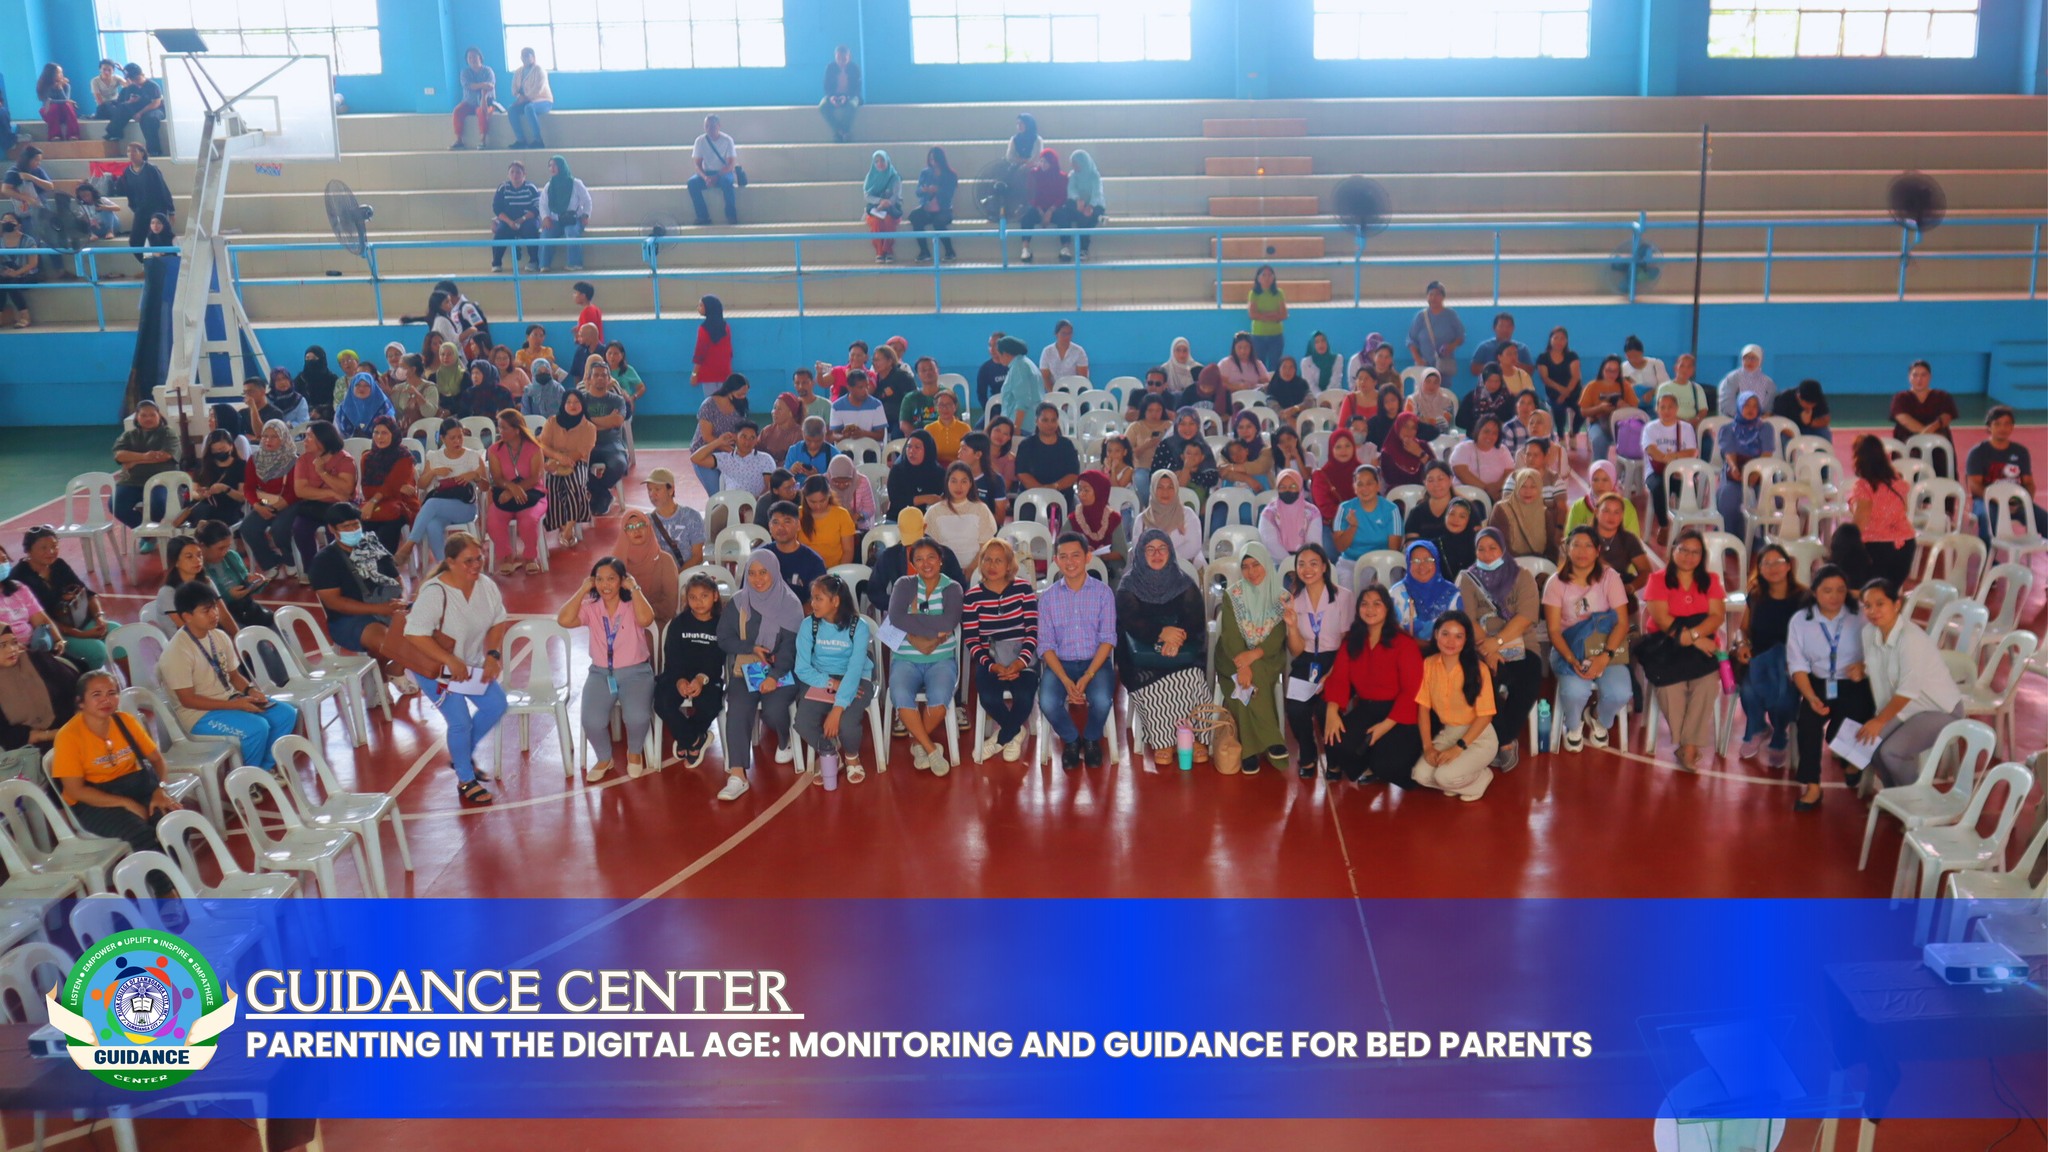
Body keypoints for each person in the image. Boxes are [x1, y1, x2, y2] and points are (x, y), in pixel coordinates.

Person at [406, 533, 514, 805]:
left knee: (496, 705)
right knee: (460, 722)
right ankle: (465, 779)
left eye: (479, 558)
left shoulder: (486, 585)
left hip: (469, 665)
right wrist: (450, 660)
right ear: (450, 562)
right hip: (436, 671)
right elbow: (413, 634)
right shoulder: (435, 593)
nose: (476, 565)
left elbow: (498, 621)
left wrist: (493, 655)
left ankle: (461, 755)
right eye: (468, 561)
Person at [157, 580, 298, 770]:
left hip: (231, 699)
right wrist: (235, 705)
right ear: (187, 616)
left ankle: (263, 770)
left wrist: (250, 690)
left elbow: (234, 676)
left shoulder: (219, 636)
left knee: (286, 714)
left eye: (214, 607)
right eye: (206, 611)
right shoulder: (176, 652)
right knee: (257, 728)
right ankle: (247, 780)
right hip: (199, 715)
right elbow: (188, 701)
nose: (215, 614)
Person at [49, 671, 179, 861]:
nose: (106, 700)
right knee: (141, 835)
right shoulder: (68, 736)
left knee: (172, 823)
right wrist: (126, 803)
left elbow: (157, 760)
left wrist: (161, 789)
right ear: (80, 702)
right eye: (97, 695)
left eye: (112, 693)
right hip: (94, 803)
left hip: (137, 787)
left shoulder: (125, 721)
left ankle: (173, 874)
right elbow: (75, 790)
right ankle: (164, 880)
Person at [1855, 577, 1965, 789]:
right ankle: (1893, 795)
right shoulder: (1868, 633)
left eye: (1880, 604)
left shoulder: (1911, 639)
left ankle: (1911, 800)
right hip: (1907, 708)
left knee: (1891, 751)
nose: (1873, 611)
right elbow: (1878, 668)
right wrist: (1861, 669)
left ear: (1897, 605)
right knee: (1872, 748)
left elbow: (1907, 691)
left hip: (1940, 709)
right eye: (1867, 606)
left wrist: (1879, 721)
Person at [554, 558, 657, 783]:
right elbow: (564, 620)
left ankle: (634, 752)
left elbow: (646, 619)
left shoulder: (632, 603)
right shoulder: (592, 607)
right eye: (599, 579)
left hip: (636, 673)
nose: (605, 585)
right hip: (601, 673)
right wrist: (582, 590)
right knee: (591, 720)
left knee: (638, 717)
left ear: (622, 581)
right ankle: (604, 758)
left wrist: (635, 588)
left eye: (611, 579)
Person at [1786, 566, 1875, 811]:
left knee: (1849, 724)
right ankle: (1812, 786)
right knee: (1808, 723)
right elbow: (1797, 665)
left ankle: (1852, 760)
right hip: (1817, 682)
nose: (1834, 596)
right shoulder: (1801, 620)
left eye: (1840, 590)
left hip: (1853, 682)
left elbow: (1878, 651)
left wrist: (1864, 666)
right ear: (1814, 592)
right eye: (1827, 590)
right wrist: (1810, 697)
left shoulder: (1860, 616)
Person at [1642, 529, 1728, 773]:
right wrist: (1693, 639)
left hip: (1701, 640)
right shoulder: (1658, 579)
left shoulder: (1710, 580)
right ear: (1673, 551)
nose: (1689, 557)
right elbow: (1661, 619)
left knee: (1707, 685)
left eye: (1695, 552)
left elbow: (1717, 616)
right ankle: (1686, 743)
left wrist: (1695, 636)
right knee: (1670, 687)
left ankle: (1688, 747)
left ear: (1702, 556)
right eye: (1683, 550)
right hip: (1665, 643)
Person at [1321, 585, 1425, 785]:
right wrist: (1332, 712)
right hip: (1368, 708)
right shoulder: (1352, 640)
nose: (1370, 609)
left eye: (1377, 604)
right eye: (1365, 604)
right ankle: (1370, 762)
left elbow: (1412, 690)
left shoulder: (1404, 643)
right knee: (1335, 743)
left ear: (1387, 608)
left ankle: (1383, 763)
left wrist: (1385, 726)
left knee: (1388, 766)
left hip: (1399, 713)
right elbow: (1339, 678)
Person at [1455, 529, 1540, 770]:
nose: (1487, 554)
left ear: (1503, 549)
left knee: (1528, 680)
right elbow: (1467, 620)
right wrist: (1488, 649)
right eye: (1481, 549)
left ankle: (1502, 738)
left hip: (1521, 643)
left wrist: (1498, 642)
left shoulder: (1522, 576)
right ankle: (1505, 742)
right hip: (1481, 647)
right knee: (1483, 682)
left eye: (1493, 548)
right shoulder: (1468, 579)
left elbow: (1525, 618)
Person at [1544, 527, 1633, 752]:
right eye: (1576, 545)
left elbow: (1622, 623)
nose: (1582, 551)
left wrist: (1605, 657)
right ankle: (1573, 725)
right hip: (1569, 649)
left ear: (1597, 550)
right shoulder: (1555, 583)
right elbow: (1554, 631)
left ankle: (1597, 717)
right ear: (1567, 548)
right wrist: (1572, 660)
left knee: (1620, 693)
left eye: (1588, 546)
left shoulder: (1610, 578)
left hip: (1605, 646)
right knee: (1574, 692)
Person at [721, 549, 804, 782]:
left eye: (763, 572)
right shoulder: (739, 601)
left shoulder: (790, 604)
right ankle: (737, 774)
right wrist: (751, 647)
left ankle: (785, 740)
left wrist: (774, 676)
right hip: (748, 668)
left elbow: (790, 647)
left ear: (774, 572)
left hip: (783, 670)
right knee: (737, 707)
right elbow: (724, 638)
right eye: (752, 573)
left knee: (774, 711)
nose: (757, 579)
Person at [955, 540, 1039, 763]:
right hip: (990, 658)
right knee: (989, 698)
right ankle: (1015, 732)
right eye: (987, 560)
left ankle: (1002, 737)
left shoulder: (1023, 590)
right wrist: (992, 666)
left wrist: (1019, 663)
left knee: (1024, 696)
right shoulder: (972, 597)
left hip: (1023, 656)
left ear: (1009, 565)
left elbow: (1033, 631)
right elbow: (972, 639)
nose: (992, 565)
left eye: (999, 560)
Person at [1037, 534, 1117, 768]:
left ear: (1088, 557)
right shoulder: (1047, 598)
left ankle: (1091, 738)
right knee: (1047, 702)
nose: (1070, 562)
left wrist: (1088, 675)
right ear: (1055, 560)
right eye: (1063, 557)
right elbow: (1046, 645)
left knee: (1102, 700)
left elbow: (1107, 640)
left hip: (1095, 662)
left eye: (1076, 555)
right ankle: (1071, 740)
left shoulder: (1103, 593)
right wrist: (1064, 679)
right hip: (1060, 664)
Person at [885, 539, 963, 774]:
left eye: (931, 557)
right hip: (905, 659)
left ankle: (917, 743)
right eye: (919, 559)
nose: (925, 563)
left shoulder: (952, 588)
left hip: (941, 659)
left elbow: (949, 622)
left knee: (939, 700)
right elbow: (896, 617)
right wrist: (933, 628)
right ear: (913, 564)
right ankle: (930, 749)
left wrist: (914, 622)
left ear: (940, 560)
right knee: (900, 694)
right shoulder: (905, 584)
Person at [1211, 543, 1290, 774]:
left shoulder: (1282, 597)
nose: (1251, 572)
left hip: (1267, 656)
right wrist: (1241, 665)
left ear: (1266, 563)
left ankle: (1249, 750)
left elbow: (1277, 637)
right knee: (1244, 682)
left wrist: (1252, 657)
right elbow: (1231, 636)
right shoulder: (1233, 595)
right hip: (1231, 656)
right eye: (1245, 566)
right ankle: (1272, 740)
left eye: (1256, 564)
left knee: (1249, 680)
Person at [1407, 610, 1499, 801]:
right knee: (1420, 775)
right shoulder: (1429, 664)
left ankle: (1481, 778)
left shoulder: (1478, 669)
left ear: (1466, 640)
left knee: (1444, 776)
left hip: (1479, 736)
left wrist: (1458, 748)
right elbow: (1423, 709)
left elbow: (1485, 716)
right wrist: (1428, 747)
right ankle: (1457, 781)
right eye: (1445, 634)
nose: (1451, 641)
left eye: (1458, 636)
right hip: (1449, 733)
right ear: (1436, 635)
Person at [793, 573, 876, 783]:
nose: (813, 604)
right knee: (803, 722)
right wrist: (831, 683)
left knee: (847, 723)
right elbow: (801, 668)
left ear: (836, 601)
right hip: (821, 677)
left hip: (855, 679)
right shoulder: (808, 625)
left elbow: (855, 670)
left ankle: (852, 757)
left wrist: (838, 709)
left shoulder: (859, 627)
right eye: (812, 598)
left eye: (818, 599)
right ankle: (829, 753)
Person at [1280, 545, 1350, 776]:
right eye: (1301, 564)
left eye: (1313, 564)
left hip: (1336, 659)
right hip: (1307, 660)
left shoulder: (1343, 597)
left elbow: (1348, 642)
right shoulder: (1294, 600)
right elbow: (1296, 651)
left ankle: (1334, 759)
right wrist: (1292, 627)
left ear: (1324, 567)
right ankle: (1307, 753)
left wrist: (1332, 673)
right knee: (1296, 708)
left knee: (1324, 708)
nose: (1307, 569)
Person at [1735, 543, 1804, 769]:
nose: (1773, 568)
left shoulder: (1803, 598)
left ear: (1788, 566)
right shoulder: (1756, 595)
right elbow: (1743, 629)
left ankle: (1779, 734)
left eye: (1778, 562)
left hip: (1791, 662)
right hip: (1758, 659)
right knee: (1748, 691)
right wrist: (1742, 644)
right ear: (1760, 569)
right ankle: (1758, 728)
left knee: (1784, 695)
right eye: (1766, 563)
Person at [655, 574, 727, 776]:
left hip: (707, 678)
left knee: (710, 704)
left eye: (704, 596)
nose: (698, 602)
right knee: (662, 702)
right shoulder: (679, 623)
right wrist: (679, 680)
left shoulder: (721, 625)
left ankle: (685, 738)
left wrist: (701, 679)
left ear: (715, 596)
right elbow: (672, 655)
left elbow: (718, 658)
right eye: (693, 597)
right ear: (686, 599)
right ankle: (695, 739)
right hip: (677, 675)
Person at [394, 419, 485, 571]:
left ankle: (409, 546)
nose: (457, 441)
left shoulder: (473, 456)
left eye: (460, 437)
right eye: (452, 438)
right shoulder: (434, 456)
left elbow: (486, 487)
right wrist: (434, 472)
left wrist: (475, 476)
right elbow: (421, 485)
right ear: (442, 438)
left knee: (432, 503)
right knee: (432, 525)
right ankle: (446, 566)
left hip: (465, 507)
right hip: (441, 507)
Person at [16, 528, 107, 670]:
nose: (51, 551)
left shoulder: (59, 565)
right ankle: (87, 681)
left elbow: (89, 594)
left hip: (79, 621)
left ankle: (130, 680)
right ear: (28, 550)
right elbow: (39, 619)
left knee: (117, 631)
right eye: (44, 548)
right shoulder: (19, 577)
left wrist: (99, 616)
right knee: (97, 650)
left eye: (54, 546)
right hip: (54, 634)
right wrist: (81, 634)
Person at [1834, 433, 1917, 587]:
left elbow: (1859, 524)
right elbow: (1904, 509)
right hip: (1906, 547)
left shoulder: (1864, 487)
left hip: (1878, 551)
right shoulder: (1898, 483)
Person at [0, 622, 77, 783]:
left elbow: (74, 687)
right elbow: (6, 735)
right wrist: (51, 735)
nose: (12, 649)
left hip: (71, 726)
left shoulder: (37, 660)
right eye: (3, 646)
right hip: (32, 748)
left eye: (14, 642)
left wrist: (77, 722)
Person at [1966, 405, 2047, 545]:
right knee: (1988, 521)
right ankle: (1987, 554)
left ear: (2012, 427)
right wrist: (2000, 500)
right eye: (1997, 424)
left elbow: (2028, 483)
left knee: (2045, 520)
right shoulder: (1978, 452)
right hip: (1987, 501)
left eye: (2007, 424)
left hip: (2015, 502)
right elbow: (1974, 485)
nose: (2002, 428)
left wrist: (2024, 501)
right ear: (1989, 427)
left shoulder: (2021, 452)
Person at [484, 409, 548, 575]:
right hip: (504, 493)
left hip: (532, 494)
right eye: (499, 427)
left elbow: (535, 478)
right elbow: (497, 478)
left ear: (517, 429)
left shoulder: (534, 448)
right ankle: (506, 556)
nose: (500, 431)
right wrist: (511, 488)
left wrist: (514, 491)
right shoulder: (494, 450)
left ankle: (530, 557)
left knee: (528, 520)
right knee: (494, 519)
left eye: (504, 428)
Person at [109, 399, 179, 534]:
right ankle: (149, 535)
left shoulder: (168, 433)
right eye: (144, 415)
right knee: (116, 505)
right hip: (132, 482)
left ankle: (149, 533)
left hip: (161, 482)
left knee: (158, 504)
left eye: (152, 415)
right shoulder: (129, 435)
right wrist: (145, 456)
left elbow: (166, 455)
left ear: (159, 415)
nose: (148, 418)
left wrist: (134, 461)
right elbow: (119, 456)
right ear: (137, 417)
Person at [536, 390, 595, 548]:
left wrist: (561, 461)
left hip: (577, 463)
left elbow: (581, 452)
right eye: (569, 402)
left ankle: (569, 529)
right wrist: (556, 458)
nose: (572, 405)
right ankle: (562, 526)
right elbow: (543, 445)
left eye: (576, 402)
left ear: (582, 404)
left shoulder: (589, 428)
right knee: (551, 486)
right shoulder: (552, 422)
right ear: (563, 404)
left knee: (576, 484)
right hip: (553, 462)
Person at [1714, 392, 1775, 544]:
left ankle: (1760, 541)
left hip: (1761, 471)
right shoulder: (1728, 428)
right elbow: (1729, 452)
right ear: (1739, 407)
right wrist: (1734, 468)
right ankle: (1731, 540)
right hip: (1737, 471)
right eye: (1746, 405)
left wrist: (1755, 473)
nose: (1750, 409)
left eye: (1755, 406)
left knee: (1773, 501)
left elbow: (1767, 453)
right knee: (1728, 497)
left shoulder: (1765, 428)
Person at [356, 418, 418, 553]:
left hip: (402, 505)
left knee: (388, 528)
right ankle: (368, 564)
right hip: (376, 505)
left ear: (393, 434)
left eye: (384, 433)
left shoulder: (404, 456)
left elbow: (390, 486)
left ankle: (384, 564)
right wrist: (394, 488)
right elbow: (367, 491)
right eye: (376, 432)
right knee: (361, 527)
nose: (379, 437)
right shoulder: (366, 458)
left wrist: (376, 498)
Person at [579, 360, 633, 515]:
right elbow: (579, 425)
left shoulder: (617, 400)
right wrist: (607, 421)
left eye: (604, 375)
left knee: (619, 464)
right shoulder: (581, 400)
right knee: (576, 468)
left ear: (609, 379)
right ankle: (604, 495)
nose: (600, 378)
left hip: (612, 444)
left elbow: (617, 421)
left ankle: (598, 493)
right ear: (589, 379)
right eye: (596, 375)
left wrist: (590, 421)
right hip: (586, 444)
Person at [1643, 390, 1699, 537]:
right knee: (1658, 488)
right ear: (1657, 409)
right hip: (1656, 472)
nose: (1666, 411)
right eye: (1662, 407)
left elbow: (1691, 452)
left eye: (1670, 407)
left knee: (1690, 487)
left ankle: (1684, 525)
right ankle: (1664, 525)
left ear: (1677, 409)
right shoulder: (1650, 428)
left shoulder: (1686, 428)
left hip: (1679, 472)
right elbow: (1652, 451)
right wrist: (1670, 460)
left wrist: (1672, 458)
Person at [923, 465, 994, 573]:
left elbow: (985, 546)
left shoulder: (981, 509)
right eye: (954, 481)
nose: (958, 486)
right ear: (947, 482)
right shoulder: (934, 512)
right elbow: (930, 549)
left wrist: (970, 570)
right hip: (943, 572)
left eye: (964, 481)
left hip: (977, 571)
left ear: (970, 483)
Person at [109, 142, 173, 261]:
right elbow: (128, 192)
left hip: (156, 210)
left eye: (134, 151)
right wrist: (134, 207)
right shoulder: (127, 172)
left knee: (157, 239)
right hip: (140, 211)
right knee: (134, 241)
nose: (131, 154)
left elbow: (163, 189)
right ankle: (145, 264)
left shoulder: (151, 169)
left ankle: (161, 265)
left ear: (142, 153)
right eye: (129, 151)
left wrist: (171, 210)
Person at [1335, 466, 1404, 564]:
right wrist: (1353, 527)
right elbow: (1340, 547)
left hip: (1382, 562)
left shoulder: (1391, 510)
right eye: (1360, 484)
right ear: (1354, 488)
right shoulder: (1345, 508)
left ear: (1378, 486)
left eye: (1369, 483)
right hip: (1350, 562)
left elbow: (1394, 550)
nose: (1365, 488)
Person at [1578, 354, 1638, 465]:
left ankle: (1626, 468)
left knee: (1633, 438)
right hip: (1598, 423)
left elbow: (1635, 409)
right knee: (1599, 440)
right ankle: (1600, 467)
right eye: (1608, 370)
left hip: (1621, 424)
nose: (1611, 374)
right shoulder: (1592, 386)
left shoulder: (1625, 386)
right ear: (1602, 369)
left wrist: (1624, 406)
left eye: (1615, 371)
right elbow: (1583, 411)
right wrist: (1599, 409)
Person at [1489, 468, 1558, 562]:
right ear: (1516, 487)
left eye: (1533, 487)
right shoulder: (1501, 510)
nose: (1527, 491)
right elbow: (1500, 547)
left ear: (1539, 488)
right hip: (1510, 565)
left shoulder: (1545, 514)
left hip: (1539, 566)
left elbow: (1551, 548)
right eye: (1523, 486)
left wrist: (1546, 568)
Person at [1138, 471, 1204, 568]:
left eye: (1170, 487)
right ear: (1153, 490)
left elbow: (1194, 546)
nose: (1165, 492)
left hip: (1184, 567)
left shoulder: (1187, 515)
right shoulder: (1143, 519)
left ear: (1176, 489)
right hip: (1151, 568)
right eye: (1160, 487)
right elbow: (1138, 549)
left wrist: (1166, 559)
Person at [1591, 493, 1653, 595]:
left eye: (1617, 512)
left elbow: (1646, 571)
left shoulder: (1629, 539)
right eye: (1606, 511)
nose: (1611, 516)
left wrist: (1631, 587)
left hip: (1617, 592)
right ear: (1596, 512)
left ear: (1622, 516)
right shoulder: (1583, 536)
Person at [1050, 148, 1105, 262]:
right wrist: (1078, 200)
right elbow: (1071, 190)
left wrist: (1090, 206)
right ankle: (1065, 246)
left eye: (1075, 163)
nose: (1073, 166)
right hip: (1078, 205)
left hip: (1094, 205)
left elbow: (1097, 193)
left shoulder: (1094, 175)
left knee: (1085, 218)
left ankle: (1083, 249)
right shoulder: (1073, 175)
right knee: (1063, 212)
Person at [1014, 404, 1081, 497]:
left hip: (1062, 495)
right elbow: (1022, 473)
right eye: (1045, 420)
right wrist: (1042, 491)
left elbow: (1073, 474)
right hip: (1031, 495)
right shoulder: (1026, 445)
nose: (1049, 424)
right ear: (1036, 421)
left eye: (1053, 420)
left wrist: (1055, 487)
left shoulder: (1067, 445)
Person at [1563, 460, 1642, 539]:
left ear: (1613, 480)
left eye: (1605, 480)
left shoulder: (1626, 507)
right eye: (1595, 480)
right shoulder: (1578, 507)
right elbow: (1569, 538)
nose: (1600, 484)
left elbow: (1634, 540)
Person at [687, 114, 742, 226]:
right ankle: (702, 216)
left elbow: (731, 164)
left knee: (727, 182)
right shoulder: (700, 141)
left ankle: (731, 215)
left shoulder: (727, 140)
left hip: (723, 172)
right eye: (706, 126)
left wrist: (717, 176)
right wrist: (705, 177)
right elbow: (697, 165)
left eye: (712, 126)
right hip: (707, 173)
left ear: (719, 126)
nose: (709, 129)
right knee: (692, 183)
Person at [1256, 468, 1320, 561]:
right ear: (1277, 489)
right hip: (1277, 563)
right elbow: (1271, 544)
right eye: (1282, 487)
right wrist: (1289, 564)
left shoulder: (1312, 512)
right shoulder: (1269, 513)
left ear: (1300, 487)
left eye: (1293, 486)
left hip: (1306, 562)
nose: (1287, 490)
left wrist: (1301, 564)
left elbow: (1313, 543)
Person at [539, 155, 590, 272]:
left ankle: (575, 263)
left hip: (573, 219)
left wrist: (586, 215)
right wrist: (545, 217)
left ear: (562, 166)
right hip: (555, 220)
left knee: (571, 232)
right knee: (546, 234)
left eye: (555, 165)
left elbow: (587, 201)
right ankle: (544, 264)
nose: (552, 168)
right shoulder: (549, 186)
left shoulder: (575, 183)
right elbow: (543, 204)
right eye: (550, 165)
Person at [1888, 359, 1957, 446]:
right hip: (1907, 446)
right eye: (1915, 375)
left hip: (1938, 447)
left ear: (1930, 376)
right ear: (1909, 377)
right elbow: (1904, 420)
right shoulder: (1900, 397)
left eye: (1923, 375)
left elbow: (1946, 417)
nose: (1919, 379)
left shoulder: (1943, 396)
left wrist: (1933, 428)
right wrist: (1929, 435)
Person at [1406, 281, 1464, 382]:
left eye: (1437, 294)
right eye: (1430, 294)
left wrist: (1452, 346)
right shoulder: (1421, 317)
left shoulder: (1451, 315)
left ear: (1443, 297)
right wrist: (1418, 359)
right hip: (1424, 368)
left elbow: (1460, 336)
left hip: (1444, 367)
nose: (1433, 298)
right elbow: (1411, 340)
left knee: (1443, 389)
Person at [490, 162, 542, 273]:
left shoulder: (531, 187)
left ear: (524, 175)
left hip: (527, 219)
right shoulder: (503, 187)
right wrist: (509, 222)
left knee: (531, 229)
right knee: (500, 231)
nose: (515, 175)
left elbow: (537, 207)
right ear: (508, 174)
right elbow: (497, 208)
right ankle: (496, 262)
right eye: (512, 172)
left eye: (518, 172)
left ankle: (534, 261)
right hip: (508, 220)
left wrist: (523, 219)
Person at [103, 63, 165, 154]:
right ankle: (114, 133)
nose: (135, 81)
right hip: (138, 107)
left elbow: (156, 103)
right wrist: (130, 102)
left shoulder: (153, 86)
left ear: (143, 75)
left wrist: (140, 113)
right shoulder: (131, 87)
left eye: (137, 79)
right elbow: (124, 103)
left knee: (149, 119)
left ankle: (154, 150)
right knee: (122, 107)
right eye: (132, 80)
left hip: (154, 109)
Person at [1450, 417, 1514, 502]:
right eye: (1486, 431)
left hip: (1498, 495)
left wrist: (1496, 488)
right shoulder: (1463, 448)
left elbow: (1509, 473)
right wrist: (1486, 489)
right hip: (1468, 497)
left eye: (1494, 433)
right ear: (1478, 431)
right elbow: (1461, 472)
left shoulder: (1503, 450)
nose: (1490, 436)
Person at [1020, 147, 1065, 264]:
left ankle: (1065, 248)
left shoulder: (1061, 177)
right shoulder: (1033, 174)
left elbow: (1062, 197)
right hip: (1037, 208)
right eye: (1042, 161)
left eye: (1046, 162)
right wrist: (1040, 210)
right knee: (1027, 217)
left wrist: (1050, 211)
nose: (1043, 164)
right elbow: (1030, 195)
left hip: (1054, 209)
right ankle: (1025, 248)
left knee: (1065, 217)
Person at [449, 47, 497, 149]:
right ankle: (459, 140)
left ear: (480, 57)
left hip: (486, 101)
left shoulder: (488, 71)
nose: (472, 59)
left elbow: (490, 86)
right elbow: (468, 85)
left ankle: (483, 140)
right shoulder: (465, 72)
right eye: (469, 57)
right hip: (469, 102)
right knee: (457, 111)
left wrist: (481, 90)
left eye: (474, 57)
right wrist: (482, 85)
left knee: (482, 112)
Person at [508, 48, 554, 149]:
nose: (525, 58)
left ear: (533, 57)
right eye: (523, 56)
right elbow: (514, 89)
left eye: (527, 56)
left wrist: (525, 98)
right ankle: (521, 140)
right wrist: (519, 97)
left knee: (529, 108)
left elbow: (538, 89)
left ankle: (538, 140)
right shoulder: (518, 72)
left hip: (544, 101)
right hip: (525, 101)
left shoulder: (539, 70)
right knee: (511, 110)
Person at [862, 149, 902, 263]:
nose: (880, 163)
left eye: (882, 160)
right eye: (877, 161)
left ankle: (888, 250)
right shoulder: (870, 176)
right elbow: (867, 195)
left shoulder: (894, 176)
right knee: (876, 222)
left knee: (888, 220)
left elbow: (896, 195)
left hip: (891, 209)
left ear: (887, 161)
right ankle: (879, 251)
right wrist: (880, 201)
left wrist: (887, 203)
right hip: (875, 209)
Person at [1457, 363, 1518, 437]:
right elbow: (1459, 421)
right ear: (1483, 380)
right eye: (1490, 381)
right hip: (1475, 438)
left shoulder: (1508, 398)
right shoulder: (1472, 397)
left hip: (1502, 438)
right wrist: (1480, 425)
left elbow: (1515, 421)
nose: (1493, 385)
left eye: (1497, 381)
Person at [1403, 462, 1458, 544]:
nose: (1436, 484)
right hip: (1425, 552)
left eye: (1440, 479)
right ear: (1424, 482)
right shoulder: (1416, 512)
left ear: (1450, 479)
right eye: (1430, 480)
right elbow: (1411, 544)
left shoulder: (1465, 508)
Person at [1377, 413, 1434, 491]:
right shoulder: (1387, 451)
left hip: (1424, 493)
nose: (1409, 431)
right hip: (1398, 495)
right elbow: (1391, 481)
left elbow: (1436, 470)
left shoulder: (1422, 446)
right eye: (1405, 426)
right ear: (1398, 427)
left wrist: (1420, 453)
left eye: (1413, 428)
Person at [1469, 313, 1532, 383]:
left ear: (1513, 328)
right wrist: (1496, 366)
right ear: (1494, 328)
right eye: (1501, 326)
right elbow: (1474, 370)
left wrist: (1515, 364)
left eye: (1508, 326)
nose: (1505, 330)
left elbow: (1530, 371)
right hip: (1490, 386)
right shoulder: (1484, 347)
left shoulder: (1522, 348)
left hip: (1516, 386)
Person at [1718, 343, 1776, 419]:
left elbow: (1769, 407)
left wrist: (1761, 417)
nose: (1749, 361)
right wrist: (1744, 417)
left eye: (1753, 358)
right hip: (1733, 419)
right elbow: (1726, 403)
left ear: (1760, 360)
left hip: (1759, 421)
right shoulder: (1732, 378)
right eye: (1746, 358)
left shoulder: (1768, 383)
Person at [1655, 353, 1713, 429]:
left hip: (1693, 427)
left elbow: (1703, 410)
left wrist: (1695, 421)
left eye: (1689, 367)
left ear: (1693, 370)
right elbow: (1660, 410)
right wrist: (1682, 423)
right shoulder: (1664, 388)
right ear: (1675, 368)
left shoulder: (1697, 388)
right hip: (1670, 426)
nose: (1685, 370)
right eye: (1682, 366)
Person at [819, 45, 862, 143]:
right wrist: (831, 97)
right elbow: (826, 86)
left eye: (844, 59)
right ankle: (839, 130)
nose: (841, 62)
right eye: (838, 59)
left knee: (851, 106)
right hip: (833, 95)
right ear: (835, 57)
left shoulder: (854, 68)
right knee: (822, 106)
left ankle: (844, 131)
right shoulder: (830, 68)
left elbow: (857, 89)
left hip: (851, 96)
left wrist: (846, 97)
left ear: (849, 57)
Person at [335, 372, 394, 440]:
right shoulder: (342, 409)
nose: (362, 388)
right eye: (357, 385)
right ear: (352, 387)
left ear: (373, 387)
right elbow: (337, 435)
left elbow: (391, 432)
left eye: (367, 385)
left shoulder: (384, 407)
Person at [1037, 320, 1089, 393]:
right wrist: (1054, 394)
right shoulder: (1047, 351)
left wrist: (1072, 394)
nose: (1067, 337)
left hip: (1075, 391)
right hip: (1054, 391)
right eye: (1063, 333)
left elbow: (1082, 378)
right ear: (1056, 334)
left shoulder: (1079, 351)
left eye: (1069, 333)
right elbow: (1045, 377)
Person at [1408, 369, 1456, 441]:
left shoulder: (1447, 402)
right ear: (1422, 382)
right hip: (1418, 439)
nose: (1431, 385)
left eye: (1435, 382)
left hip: (1442, 440)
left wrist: (1426, 421)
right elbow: (1410, 423)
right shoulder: (1412, 400)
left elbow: (1446, 424)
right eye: (1428, 381)